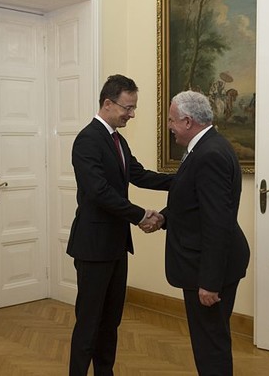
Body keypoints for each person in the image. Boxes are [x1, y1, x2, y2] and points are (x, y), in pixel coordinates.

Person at [67, 74, 170, 376]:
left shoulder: (117, 139)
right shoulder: (87, 140)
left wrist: (183, 181)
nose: (132, 114)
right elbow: (99, 193)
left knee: (111, 320)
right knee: (89, 322)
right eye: (128, 107)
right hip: (93, 246)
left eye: (134, 107)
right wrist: (140, 215)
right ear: (108, 103)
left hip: (115, 245)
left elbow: (139, 175)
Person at [157, 90, 250, 376]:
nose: (169, 126)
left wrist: (210, 282)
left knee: (210, 344)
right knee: (209, 339)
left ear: (187, 121)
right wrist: (164, 217)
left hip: (207, 269)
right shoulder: (207, 147)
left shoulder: (209, 154)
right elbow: (193, 204)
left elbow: (216, 222)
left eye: (171, 120)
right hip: (206, 262)